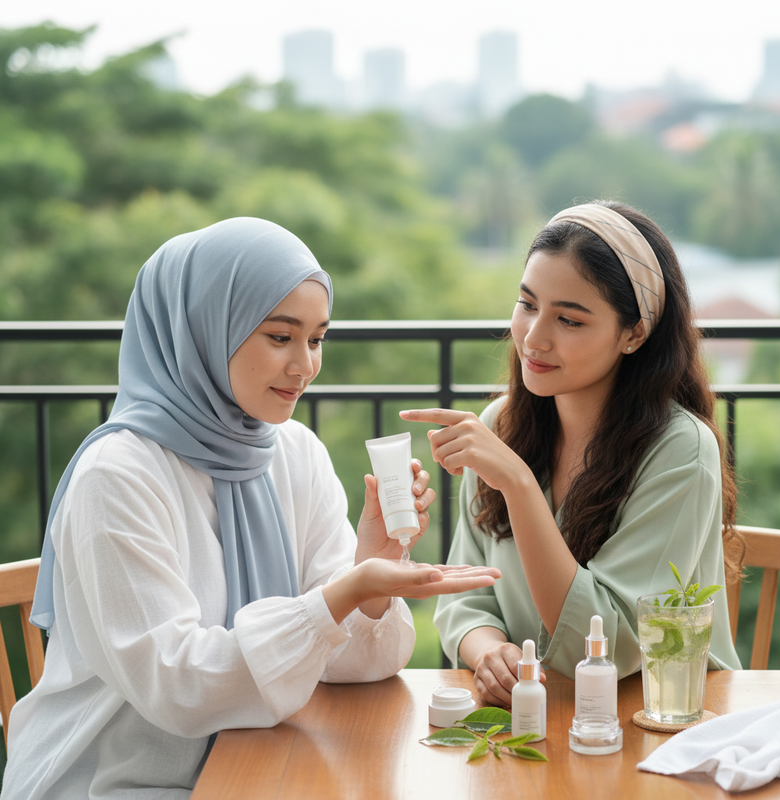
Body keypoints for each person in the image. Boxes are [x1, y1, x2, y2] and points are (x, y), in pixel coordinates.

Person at [1, 218, 500, 799]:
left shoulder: (292, 452)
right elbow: (178, 685)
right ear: (207, 329)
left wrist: (372, 574)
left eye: (316, 339)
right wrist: (342, 593)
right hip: (116, 779)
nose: (305, 366)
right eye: (280, 336)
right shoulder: (117, 476)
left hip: (261, 761)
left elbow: (355, 666)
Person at [400, 201, 742, 708]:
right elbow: (463, 594)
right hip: (532, 718)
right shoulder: (501, 425)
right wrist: (488, 650)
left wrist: (517, 485)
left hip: (657, 720)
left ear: (633, 334)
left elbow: (616, 645)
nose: (534, 338)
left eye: (570, 320)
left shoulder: (681, 449)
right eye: (528, 304)